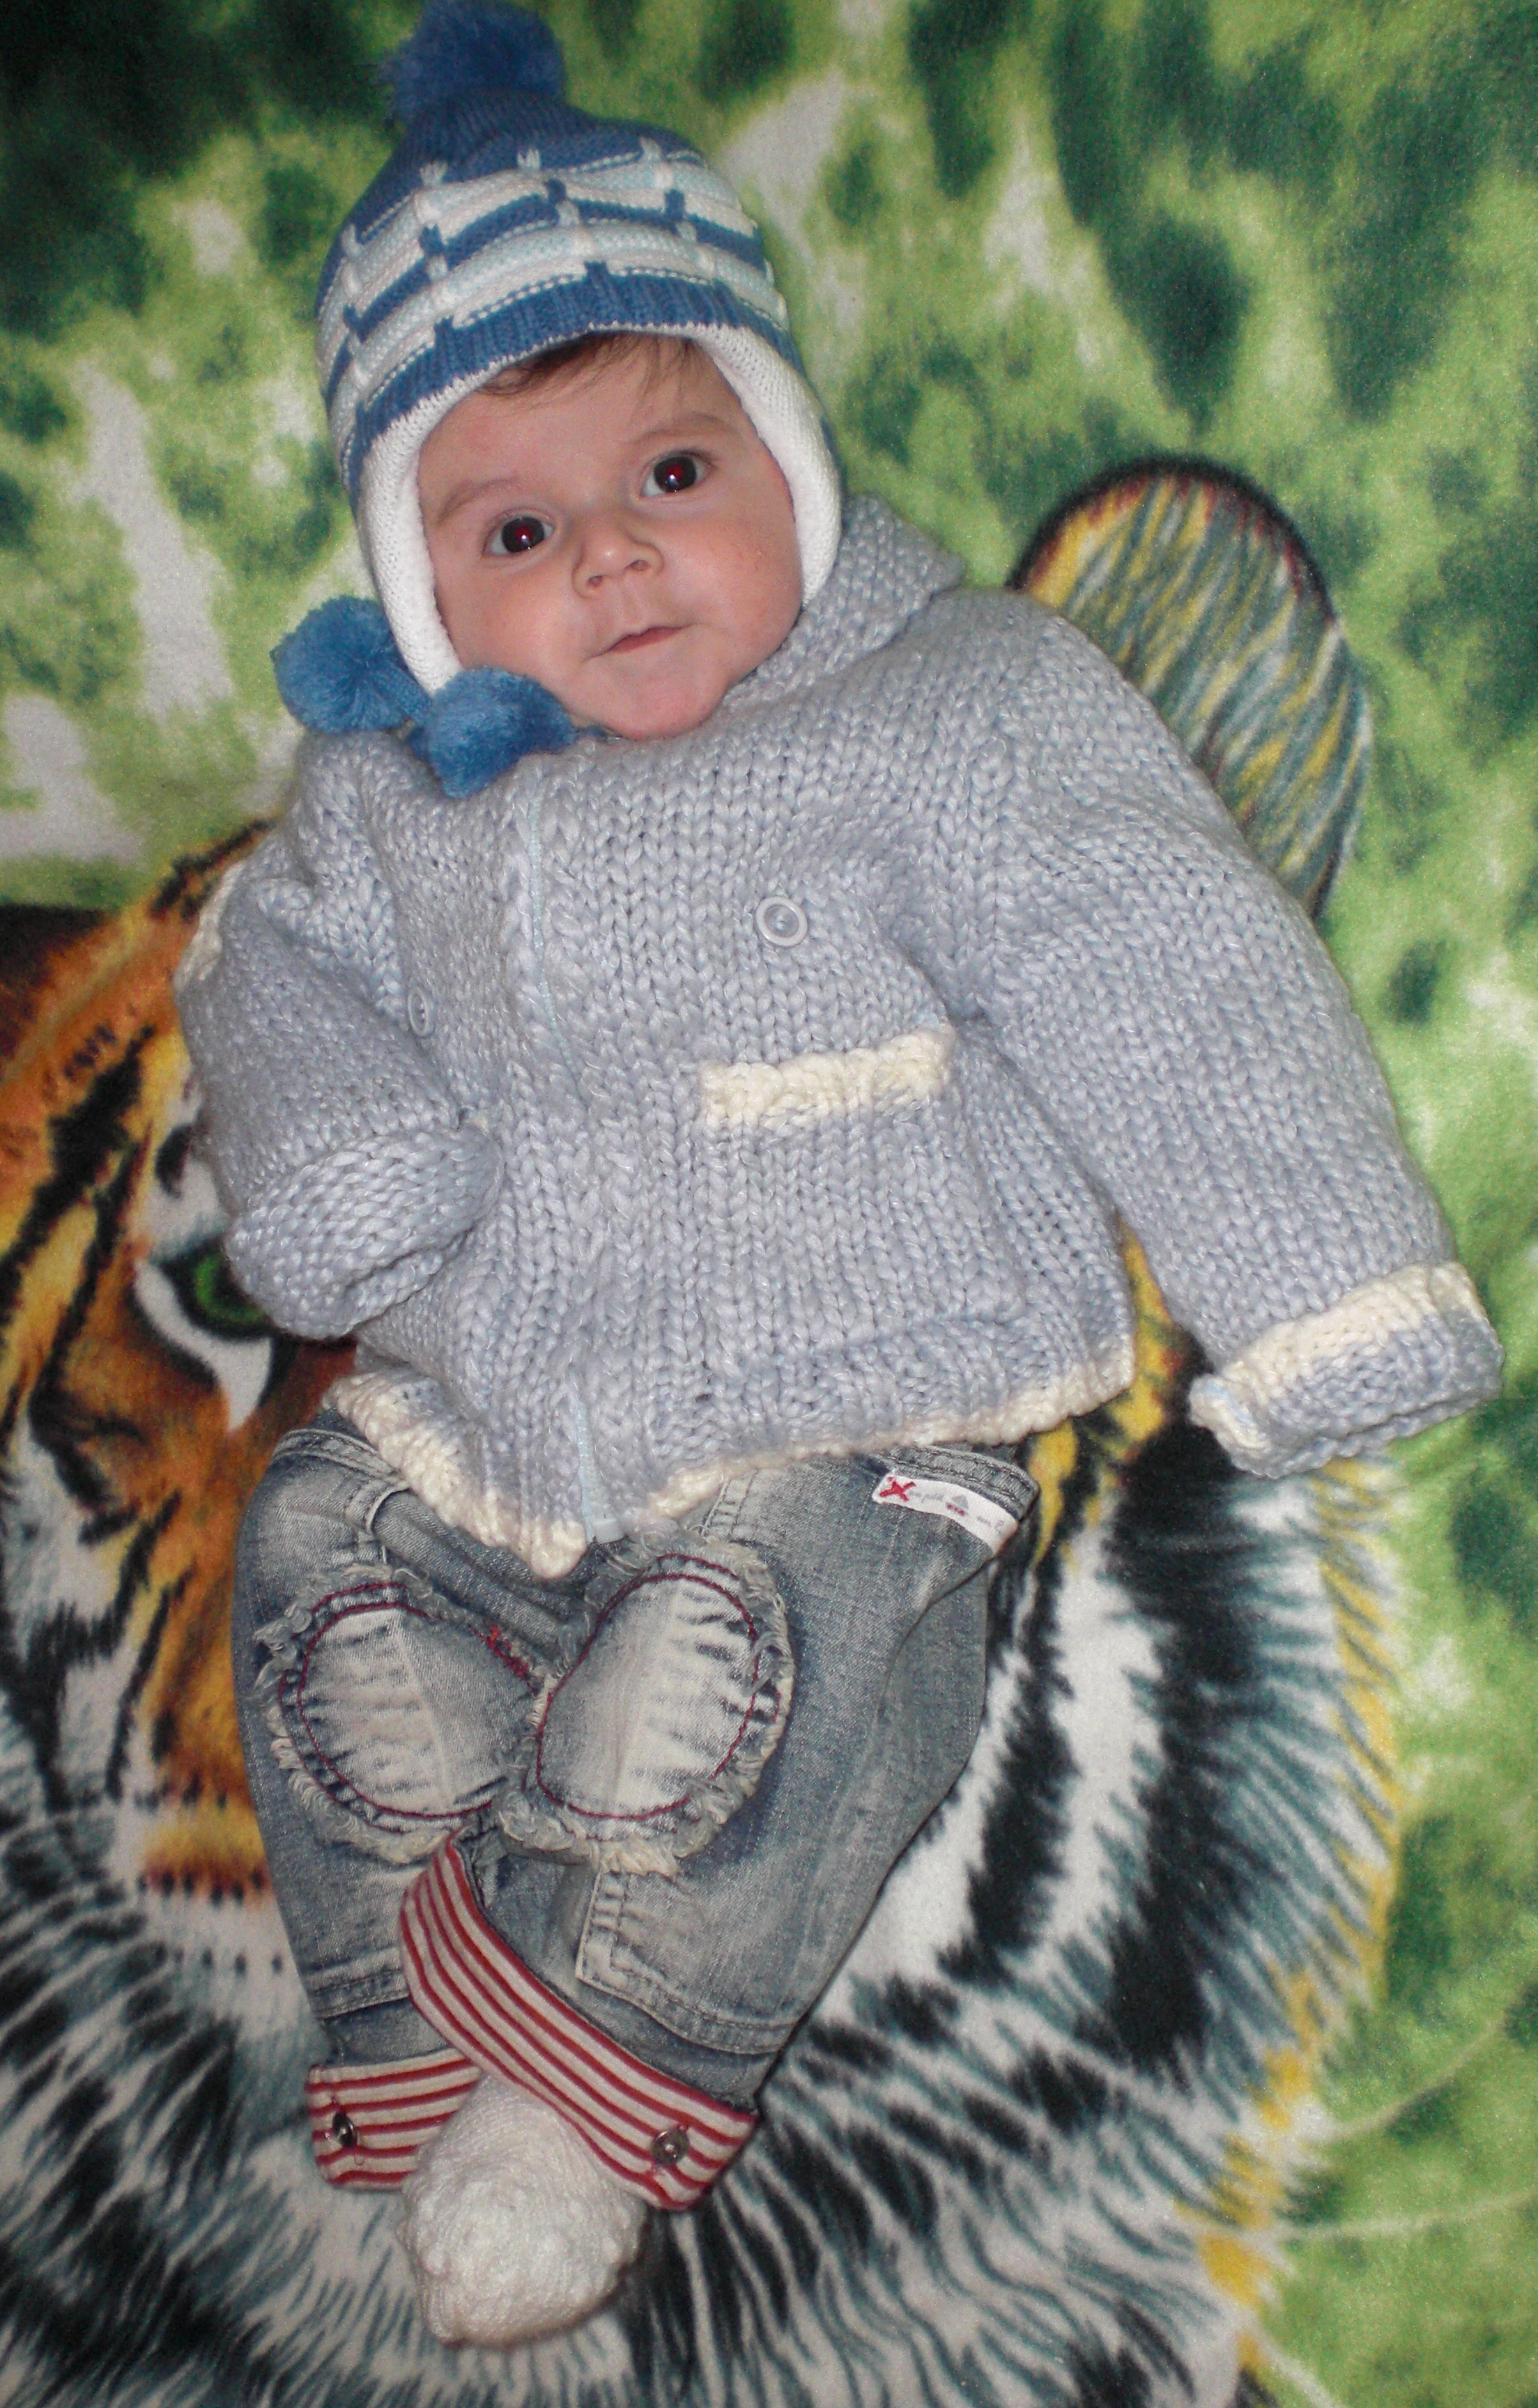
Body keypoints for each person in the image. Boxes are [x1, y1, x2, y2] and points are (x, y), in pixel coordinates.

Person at [175, 0, 1500, 2349]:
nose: (613, 555)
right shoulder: (378, 802)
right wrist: (341, 1156)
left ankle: (594, 2089)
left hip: (859, 1406)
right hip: (486, 1415)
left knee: (744, 1663)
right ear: (417, 589)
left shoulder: (958, 701)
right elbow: (255, 972)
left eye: (677, 471)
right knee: (314, 1567)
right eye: (513, 529)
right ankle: (421, 2010)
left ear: (789, 452)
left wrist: (1322, 1286)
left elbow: (1163, 953)